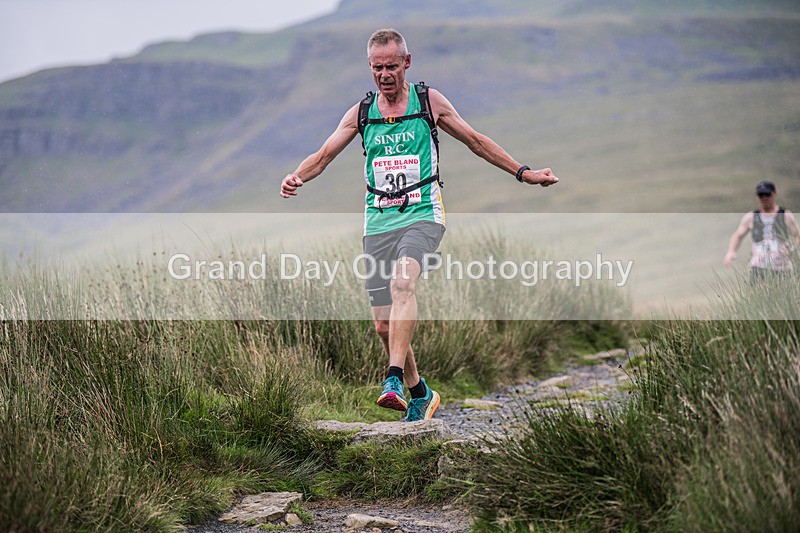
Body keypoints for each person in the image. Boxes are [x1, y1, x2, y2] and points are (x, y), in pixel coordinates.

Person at [280, 28, 558, 422]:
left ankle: (392, 378)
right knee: (382, 325)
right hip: (378, 220)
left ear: (407, 63)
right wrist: (297, 176)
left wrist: (524, 172)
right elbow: (323, 155)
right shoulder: (361, 113)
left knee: (403, 284)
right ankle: (419, 392)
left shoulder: (430, 102)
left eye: (392, 66)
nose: (385, 74)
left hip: (423, 214)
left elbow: (475, 141)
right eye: (377, 68)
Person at [724, 180, 799, 283]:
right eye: (761, 195)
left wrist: (792, 249)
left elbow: (797, 235)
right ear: (757, 196)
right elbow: (738, 235)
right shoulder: (751, 217)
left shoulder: (785, 215)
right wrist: (731, 252)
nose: (764, 198)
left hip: (782, 267)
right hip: (759, 267)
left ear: (774, 194)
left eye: (767, 194)